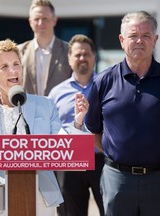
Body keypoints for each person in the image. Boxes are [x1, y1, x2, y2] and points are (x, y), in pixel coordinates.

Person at [0, 39, 88, 216]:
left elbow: (63, 148)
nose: (13, 70)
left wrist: (77, 122)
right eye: (5, 66)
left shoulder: (45, 105)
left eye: (16, 64)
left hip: (40, 199)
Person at [85, 11, 160, 216]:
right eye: (133, 35)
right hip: (118, 180)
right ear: (122, 40)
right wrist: (118, 156)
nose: (139, 41)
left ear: (155, 40)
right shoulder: (103, 81)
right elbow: (94, 131)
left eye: (146, 35)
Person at [49, 34, 104, 216]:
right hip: (68, 162)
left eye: (86, 54)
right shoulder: (56, 93)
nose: (82, 58)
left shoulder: (106, 87)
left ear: (94, 57)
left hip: (101, 160)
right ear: (69, 59)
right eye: (78, 54)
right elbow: (51, 130)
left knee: (109, 210)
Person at [18, 0, 72, 96]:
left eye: (45, 18)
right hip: (27, 110)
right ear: (30, 22)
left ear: (54, 20)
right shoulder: (18, 52)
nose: (40, 23)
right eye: (36, 19)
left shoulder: (69, 51)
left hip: (59, 110)